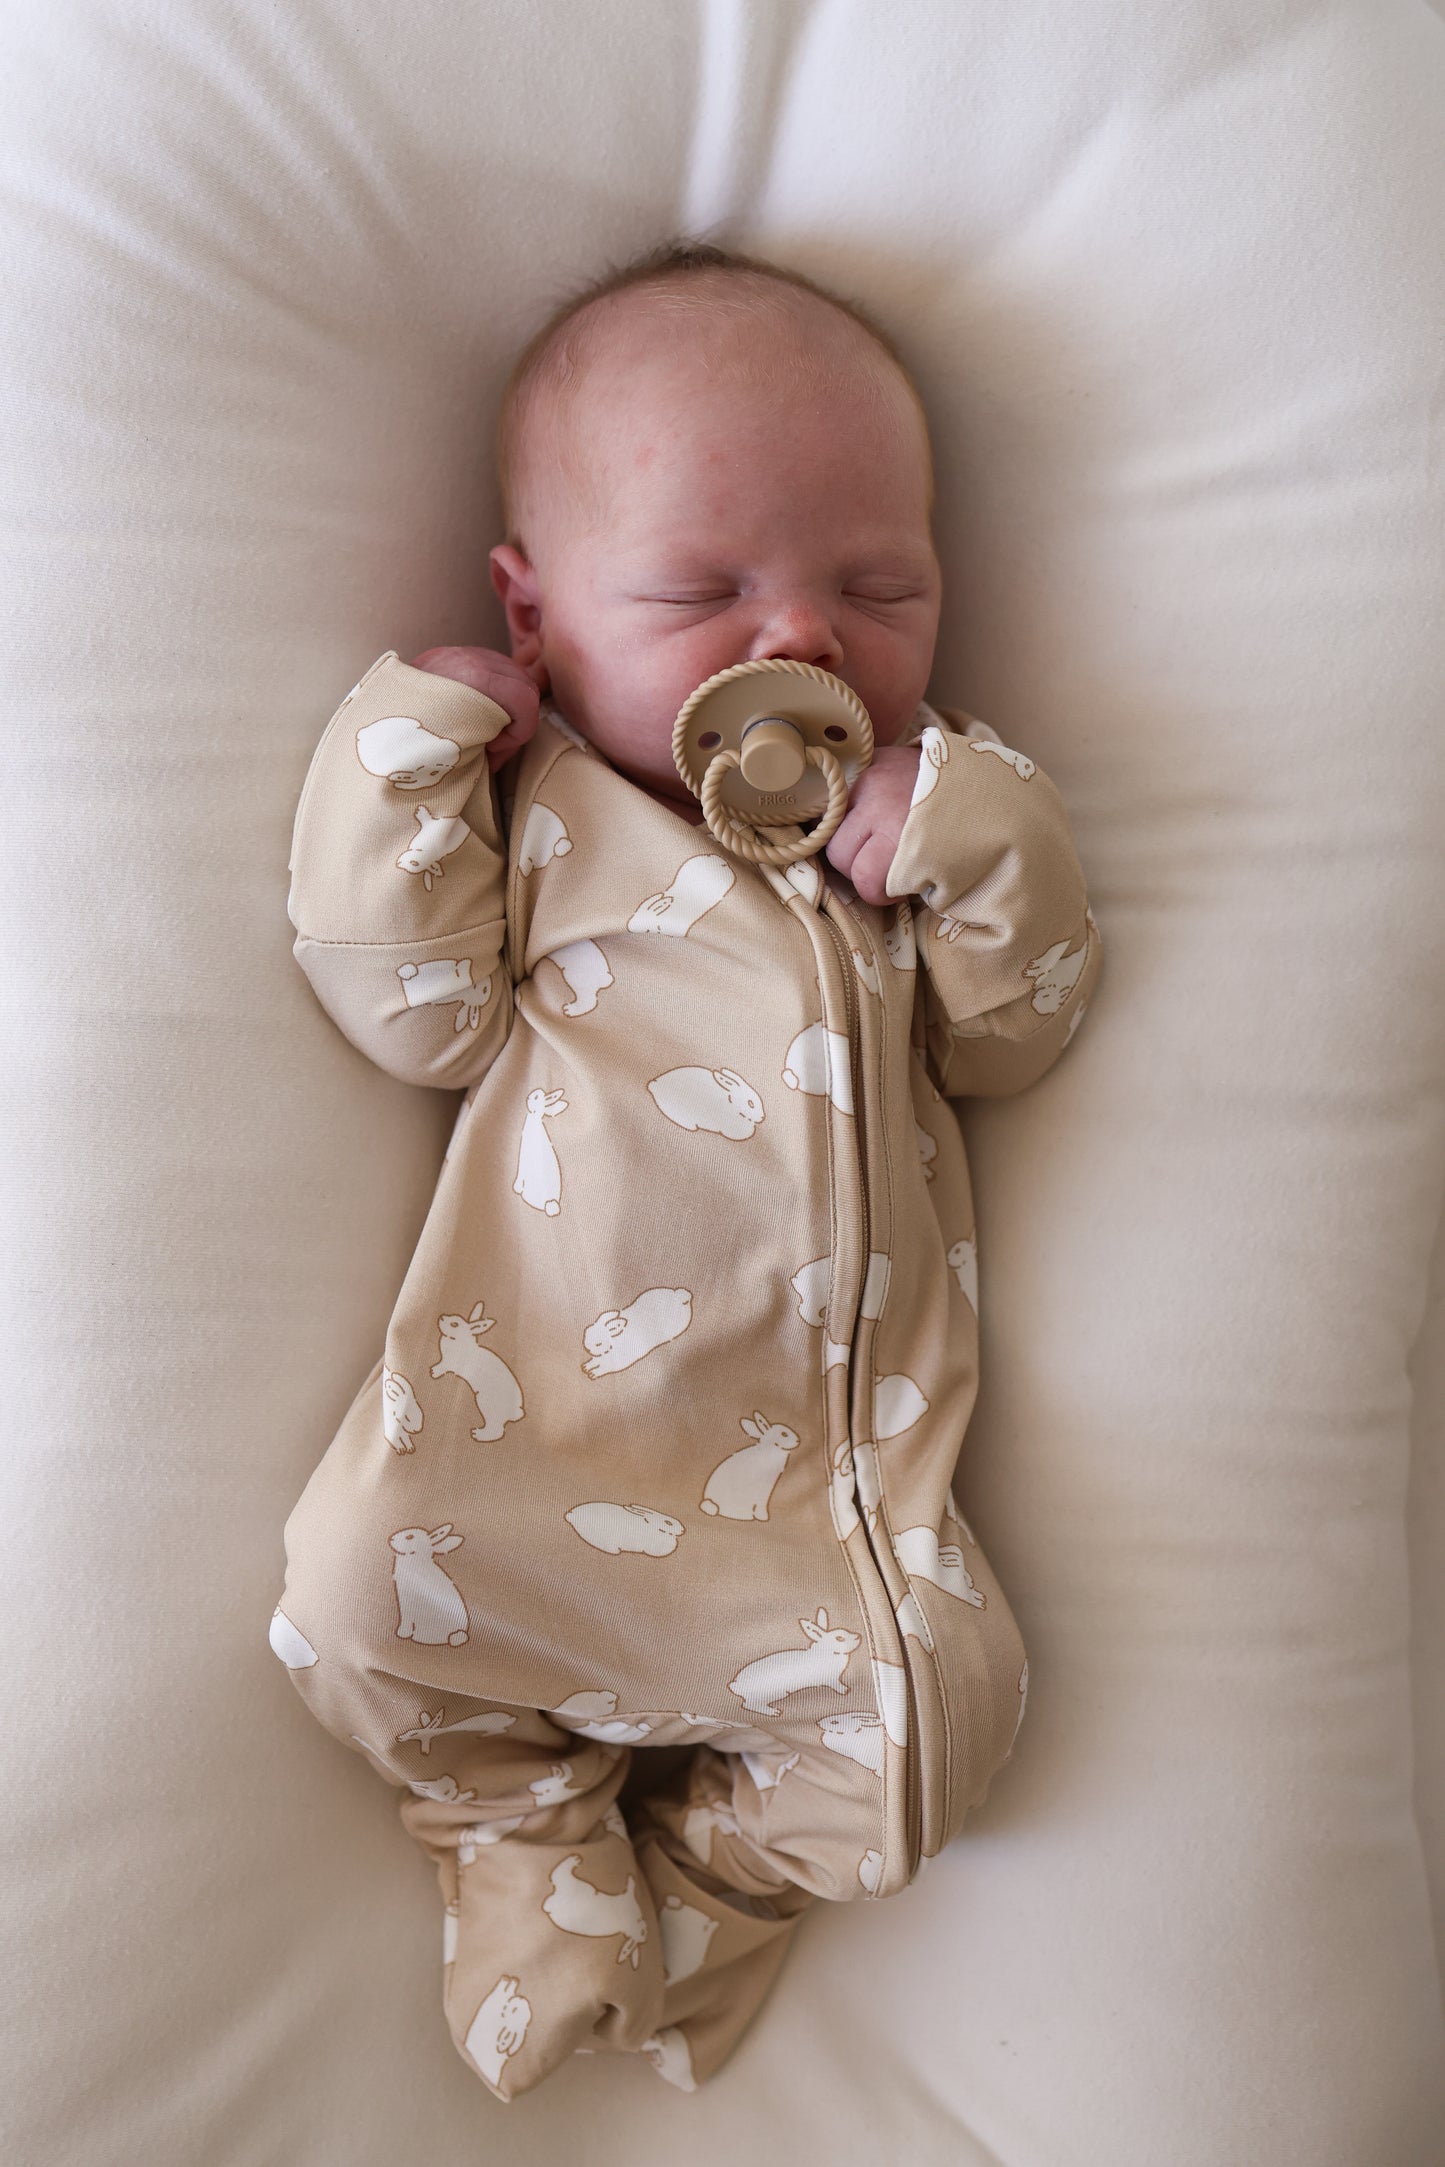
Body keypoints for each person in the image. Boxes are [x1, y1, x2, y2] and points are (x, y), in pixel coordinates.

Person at [268, 238, 1103, 2103]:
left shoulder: (895, 849)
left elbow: (1012, 1034)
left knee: (936, 1740)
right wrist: (407, 751)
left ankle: (708, 1878)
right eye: (696, 589)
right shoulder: (550, 825)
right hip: (528, 1461)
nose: (798, 641)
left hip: (810, 1534)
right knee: (346, 1586)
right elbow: (407, 1011)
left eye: (878, 586)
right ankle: (516, 1825)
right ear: (541, 608)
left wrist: (985, 847)